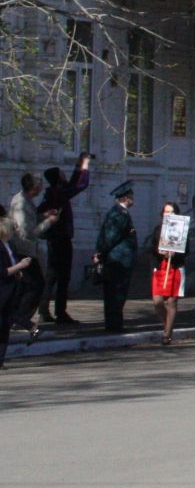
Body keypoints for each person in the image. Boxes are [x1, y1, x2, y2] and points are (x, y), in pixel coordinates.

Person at [40, 152, 92, 325]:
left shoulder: (54, 192)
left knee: (52, 276)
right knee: (62, 277)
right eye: (61, 173)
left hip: (55, 240)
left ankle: (44, 311)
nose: (64, 174)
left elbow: (72, 183)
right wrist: (84, 165)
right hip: (61, 241)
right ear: (57, 178)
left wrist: (79, 165)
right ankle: (60, 313)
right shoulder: (58, 194)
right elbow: (80, 185)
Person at [6, 173, 51, 339]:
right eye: (39, 184)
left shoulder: (26, 200)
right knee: (35, 284)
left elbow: (31, 221)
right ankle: (20, 319)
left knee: (25, 287)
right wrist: (48, 223)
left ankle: (17, 318)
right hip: (23, 251)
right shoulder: (21, 203)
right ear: (33, 187)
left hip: (26, 251)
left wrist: (43, 216)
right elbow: (27, 233)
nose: (41, 187)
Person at [91, 181, 137, 332]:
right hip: (119, 260)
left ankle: (113, 324)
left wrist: (99, 252)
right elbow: (111, 236)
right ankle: (114, 325)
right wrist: (100, 253)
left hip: (116, 259)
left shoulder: (114, 212)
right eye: (131, 196)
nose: (133, 198)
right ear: (125, 198)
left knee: (113, 293)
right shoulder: (120, 214)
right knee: (117, 293)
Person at [148, 201, 187, 346]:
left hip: (175, 268)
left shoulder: (182, 229)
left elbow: (186, 250)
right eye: (166, 212)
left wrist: (174, 255)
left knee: (171, 301)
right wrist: (160, 252)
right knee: (157, 302)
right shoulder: (159, 229)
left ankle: (167, 333)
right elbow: (152, 247)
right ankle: (167, 325)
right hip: (161, 268)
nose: (168, 214)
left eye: (171, 212)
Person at [0, 218, 29, 364]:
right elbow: (2, 272)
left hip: (11, 290)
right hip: (2, 290)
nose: (15, 231)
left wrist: (17, 270)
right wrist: (20, 266)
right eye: (12, 228)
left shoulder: (9, 245)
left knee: (5, 326)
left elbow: (10, 265)